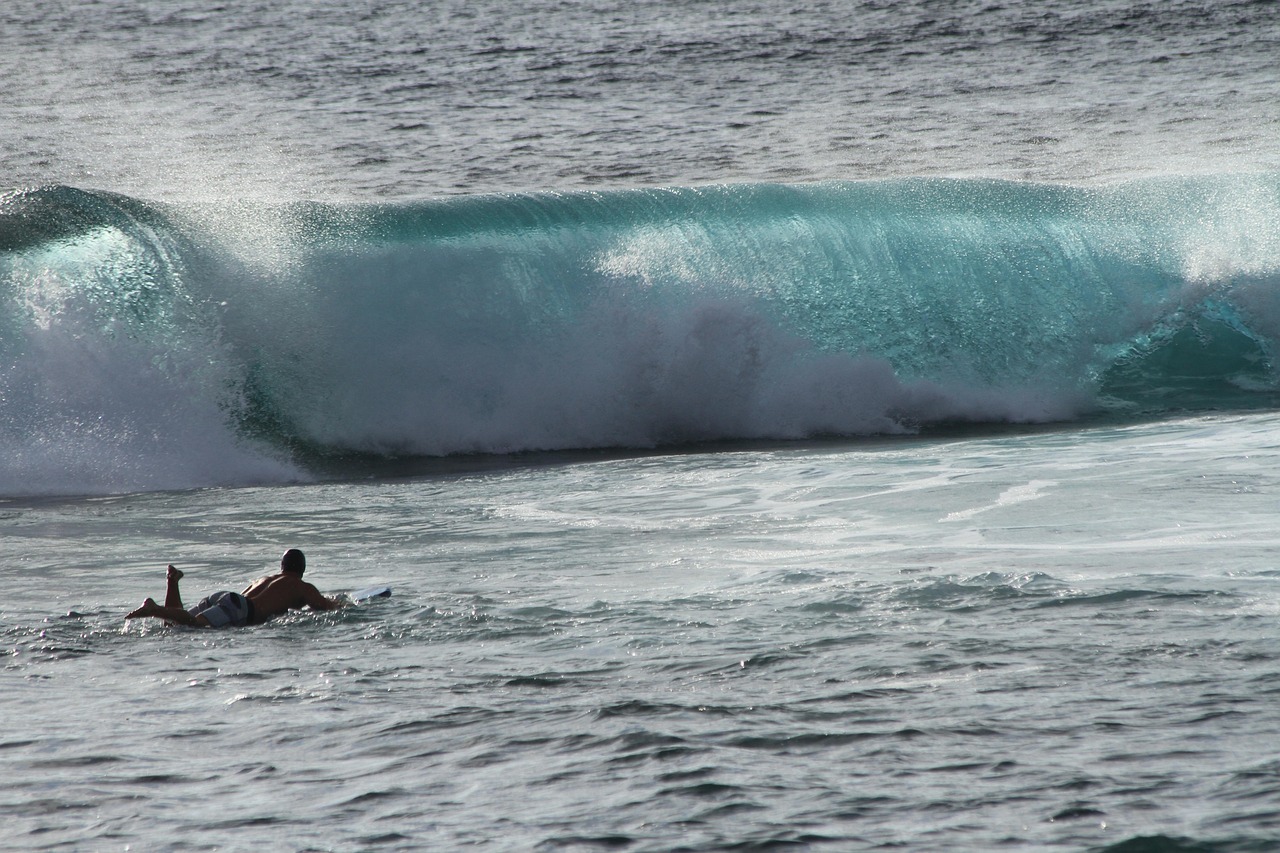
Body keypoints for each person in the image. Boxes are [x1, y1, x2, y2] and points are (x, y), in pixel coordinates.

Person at [126, 548, 342, 628]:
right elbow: (324, 606)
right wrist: (343, 603)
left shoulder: (265, 579)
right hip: (240, 609)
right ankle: (153, 609)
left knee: (175, 626)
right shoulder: (301, 586)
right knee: (194, 624)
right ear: (302, 569)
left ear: (282, 566)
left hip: (228, 597)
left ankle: (172, 581)